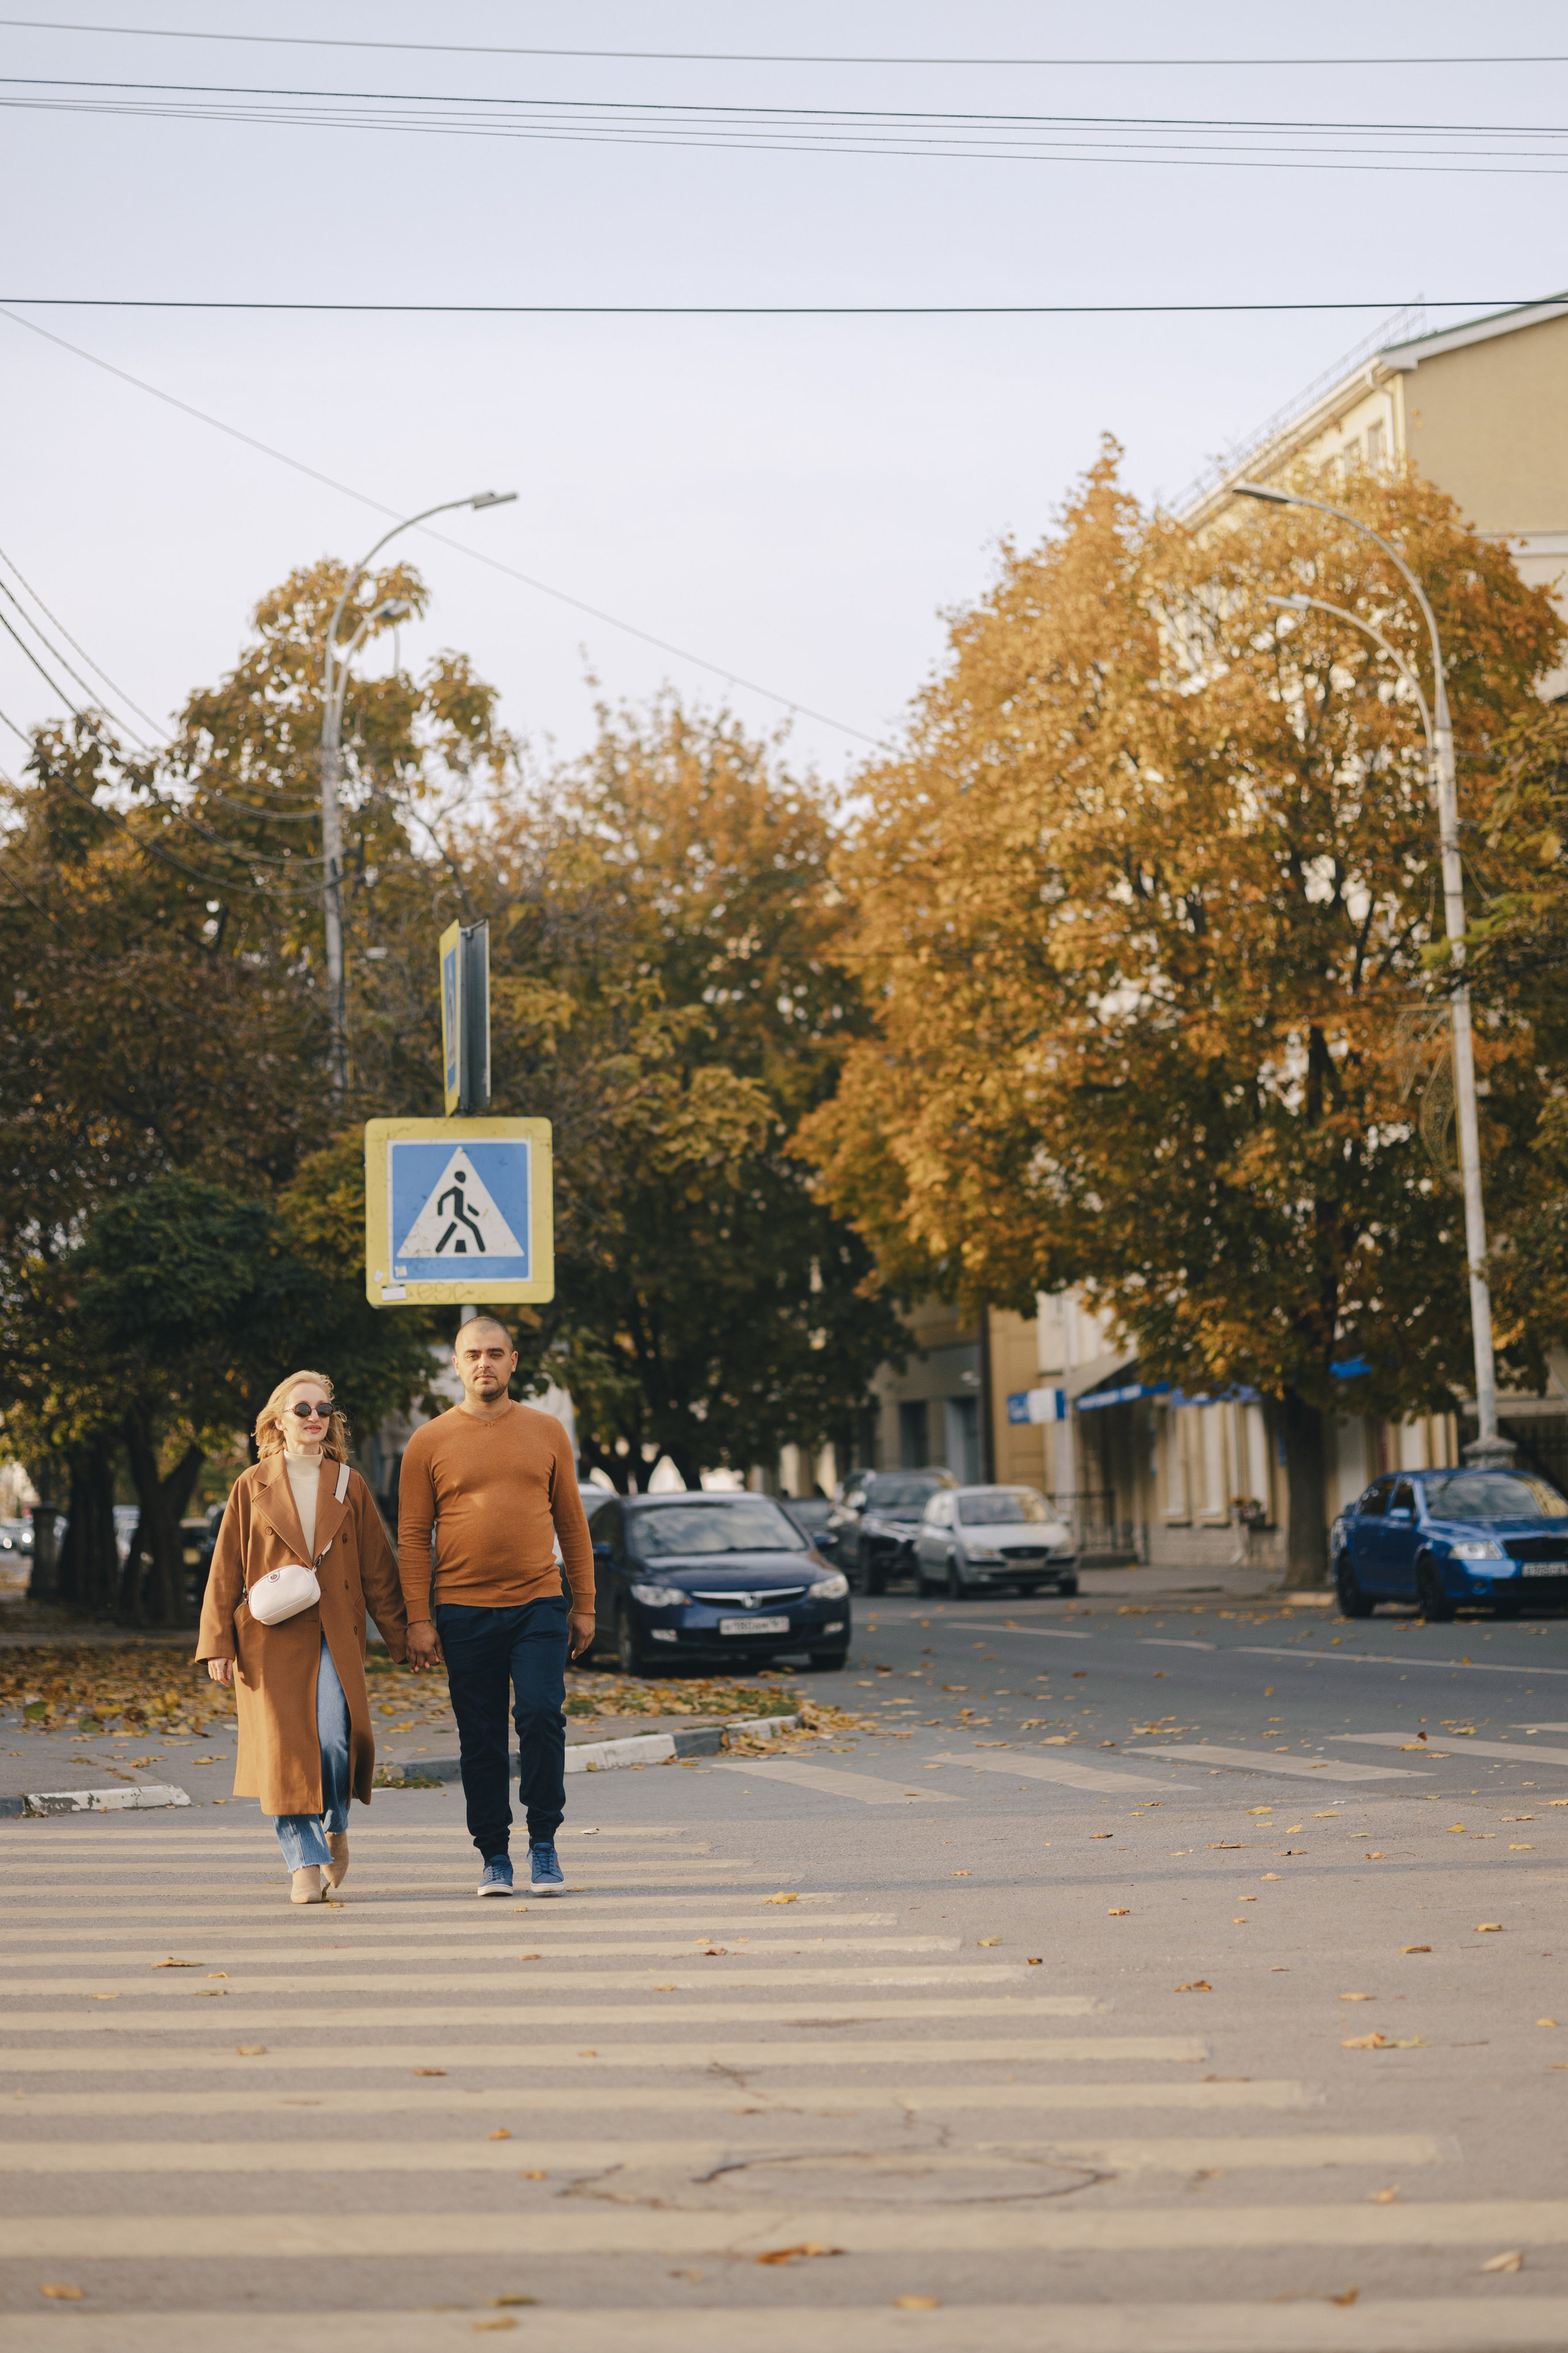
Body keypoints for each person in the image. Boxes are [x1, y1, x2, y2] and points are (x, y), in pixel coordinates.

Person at [398, 1313, 594, 1897]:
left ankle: (543, 1841)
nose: (484, 1362)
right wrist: (418, 1618)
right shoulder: (428, 1440)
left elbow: (572, 1522)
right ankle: (493, 1854)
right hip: (462, 1609)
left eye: (495, 1353)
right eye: (473, 1353)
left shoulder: (547, 1430)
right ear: (456, 1365)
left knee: (539, 1714)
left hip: (539, 1602)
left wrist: (582, 1603)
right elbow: (412, 1535)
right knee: (479, 1735)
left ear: (514, 1362)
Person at [196, 1372, 409, 1905]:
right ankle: (304, 1863)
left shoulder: (348, 1483)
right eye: (302, 1409)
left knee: (337, 1738)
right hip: (270, 1637)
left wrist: (407, 1638)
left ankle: (335, 1824)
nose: (315, 1416)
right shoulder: (252, 1483)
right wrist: (217, 1640)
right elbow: (226, 1566)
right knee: (285, 1752)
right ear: (278, 1421)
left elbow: (379, 1571)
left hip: (337, 1628)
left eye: (324, 1408)